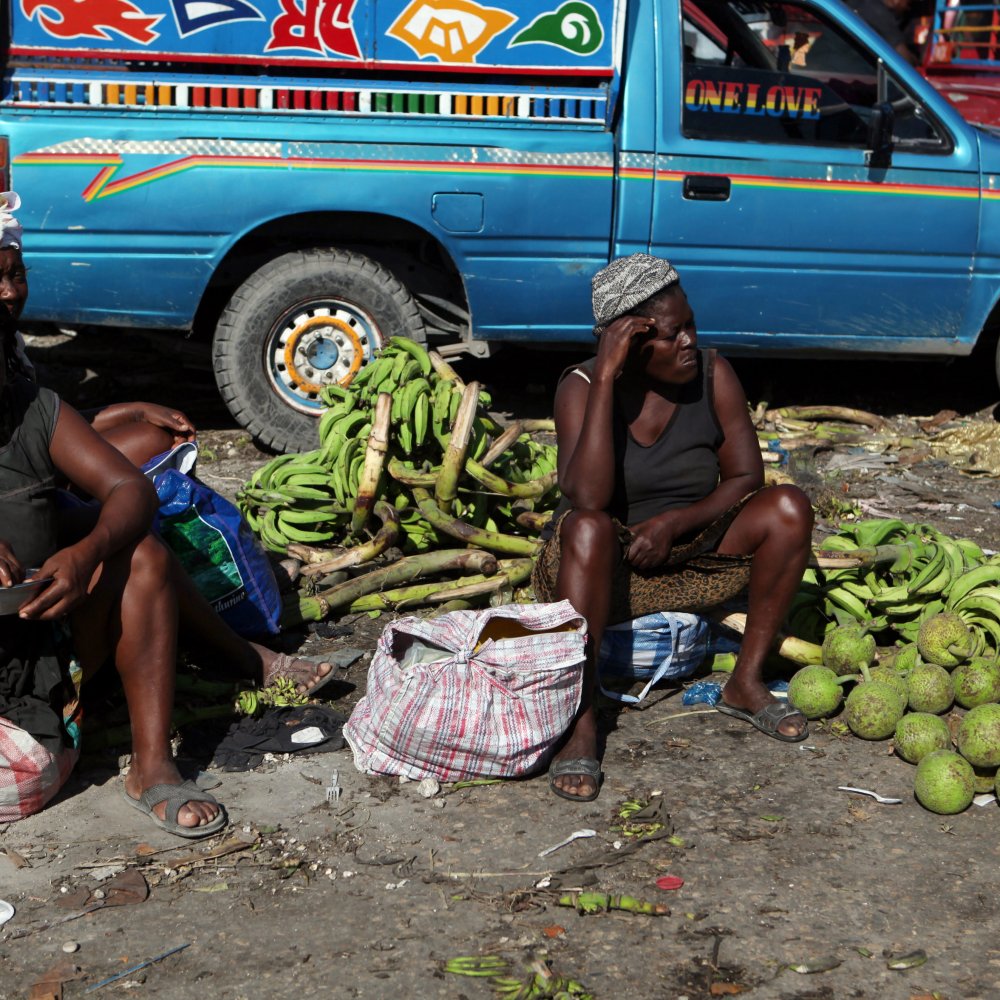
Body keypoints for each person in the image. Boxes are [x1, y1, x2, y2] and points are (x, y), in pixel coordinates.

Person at [0, 192, 334, 699]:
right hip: (20, 500)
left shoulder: (11, 350)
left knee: (150, 454)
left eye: (17, 274)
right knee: (136, 543)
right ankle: (228, 646)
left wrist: (129, 410)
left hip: (35, 482)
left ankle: (221, 585)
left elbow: (45, 420)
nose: (8, 291)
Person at [532, 254, 814, 802]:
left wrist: (674, 523)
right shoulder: (583, 385)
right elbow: (586, 496)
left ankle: (745, 681)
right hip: (603, 571)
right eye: (671, 333)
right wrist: (608, 377)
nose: (689, 340)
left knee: (788, 507)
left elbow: (744, 476)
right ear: (630, 344)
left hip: (691, 555)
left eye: (691, 325)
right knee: (587, 526)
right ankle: (582, 717)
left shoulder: (713, 373)